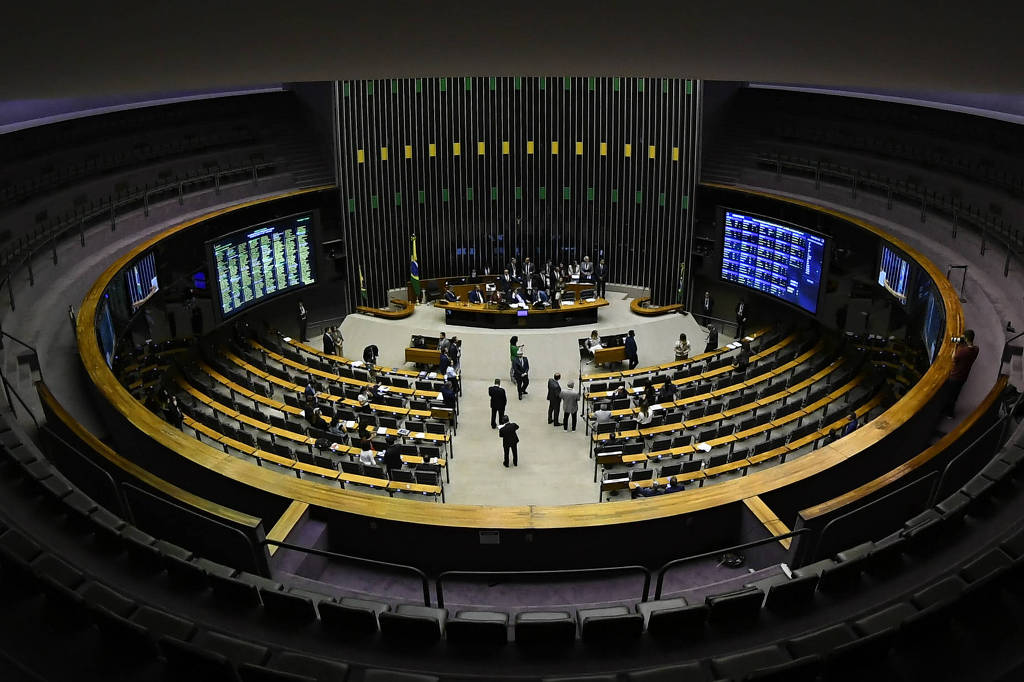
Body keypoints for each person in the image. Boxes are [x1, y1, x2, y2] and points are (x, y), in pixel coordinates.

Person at [944, 329, 979, 418]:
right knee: (955, 395)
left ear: (966, 339)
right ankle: (949, 411)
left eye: (963, 338)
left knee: (950, 396)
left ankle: (949, 413)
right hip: (964, 377)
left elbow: (953, 358)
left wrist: (956, 346)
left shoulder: (962, 352)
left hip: (955, 377)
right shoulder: (976, 349)